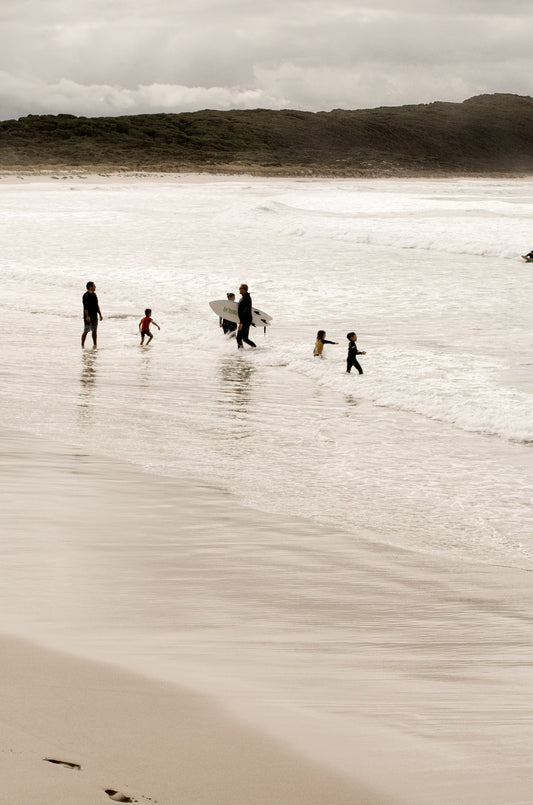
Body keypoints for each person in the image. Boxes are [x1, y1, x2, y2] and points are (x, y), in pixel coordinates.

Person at [81, 281, 102, 348]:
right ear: (90, 287)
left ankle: (95, 344)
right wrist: (87, 316)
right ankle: (82, 345)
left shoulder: (94, 295)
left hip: (94, 316)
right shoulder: (86, 295)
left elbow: (97, 305)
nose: (95, 287)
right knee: (86, 330)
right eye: (94, 286)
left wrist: (100, 314)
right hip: (88, 316)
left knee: (94, 331)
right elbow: (85, 307)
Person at [236, 283, 256, 349]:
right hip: (246, 320)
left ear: (244, 290)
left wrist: (241, 323)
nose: (239, 289)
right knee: (244, 338)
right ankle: (254, 348)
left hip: (245, 321)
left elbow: (245, 312)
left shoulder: (246, 298)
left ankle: (241, 353)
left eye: (240, 288)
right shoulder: (244, 297)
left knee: (238, 338)